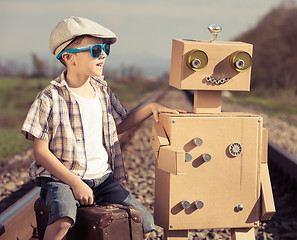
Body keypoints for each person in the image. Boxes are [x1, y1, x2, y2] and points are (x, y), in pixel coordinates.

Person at [21, 16, 183, 240]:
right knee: (63, 218)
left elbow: (116, 127)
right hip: (64, 180)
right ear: (69, 58)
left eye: (105, 48)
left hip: (103, 180)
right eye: (96, 49)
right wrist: (75, 182)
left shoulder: (103, 91)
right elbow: (40, 151)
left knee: (144, 222)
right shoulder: (50, 97)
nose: (104, 54)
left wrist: (151, 108)